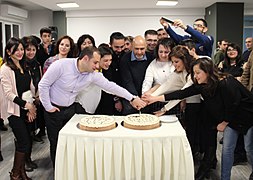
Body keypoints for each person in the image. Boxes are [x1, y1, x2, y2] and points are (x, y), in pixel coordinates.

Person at [145, 58, 253, 180]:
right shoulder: (202, 85)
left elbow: (234, 104)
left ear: (207, 71)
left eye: (198, 73)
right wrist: (155, 98)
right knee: (227, 150)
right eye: (194, 73)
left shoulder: (226, 82)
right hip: (231, 120)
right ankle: (225, 178)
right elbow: (181, 94)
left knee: (249, 149)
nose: (195, 77)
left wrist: (224, 122)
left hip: (246, 118)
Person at [38, 46, 146, 166]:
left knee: (72, 142)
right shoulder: (61, 65)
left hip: (71, 110)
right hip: (54, 110)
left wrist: (132, 98)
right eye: (94, 62)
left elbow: (111, 87)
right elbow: (43, 85)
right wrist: (48, 107)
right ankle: (58, 173)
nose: (97, 66)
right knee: (57, 143)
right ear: (85, 58)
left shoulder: (93, 74)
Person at [0, 37, 37, 180]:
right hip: (14, 110)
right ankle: (15, 174)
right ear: (9, 52)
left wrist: (31, 107)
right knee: (24, 142)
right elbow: (9, 94)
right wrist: (27, 105)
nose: (20, 52)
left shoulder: (24, 66)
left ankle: (21, 173)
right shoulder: (5, 69)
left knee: (26, 141)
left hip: (26, 107)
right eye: (16, 50)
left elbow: (30, 88)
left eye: (22, 49)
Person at [22, 36, 42, 171]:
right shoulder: (20, 65)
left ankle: (28, 159)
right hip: (23, 103)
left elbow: (40, 82)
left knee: (31, 131)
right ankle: (24, 161)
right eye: (28, 49)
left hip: (35, 101)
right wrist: (29, 104)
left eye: (33, 49)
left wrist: (38, 97)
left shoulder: (37, 64)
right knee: (24, 135)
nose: (31, 52)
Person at [120, 35, 153, 115]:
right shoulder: (125, 59)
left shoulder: (151, 58)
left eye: (142, 49)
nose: (139, 52)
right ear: (131, 47)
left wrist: (144, 97)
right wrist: (135, 98)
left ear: (146, 47)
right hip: (130, 98)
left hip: (146, 97)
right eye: (136, 49)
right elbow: (127, 81)